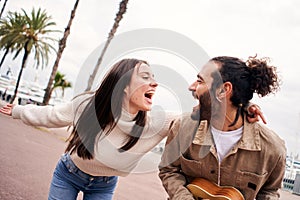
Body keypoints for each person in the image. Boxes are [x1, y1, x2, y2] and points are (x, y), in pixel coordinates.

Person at [0, 58, 264, 200]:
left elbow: (198, 115)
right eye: (146, 77)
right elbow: (52, 115)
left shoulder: (155, 122)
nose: (155, 83)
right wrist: (19, 111)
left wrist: (242, 110)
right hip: (69, 172)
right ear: (124, 85)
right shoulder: (88, 106)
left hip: (103, 186)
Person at [158, 56, 286, 200]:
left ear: (224, 90)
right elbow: (168, 169)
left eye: (200, 81)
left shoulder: (273, 148)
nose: (191, 87)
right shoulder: (182, 127)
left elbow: (270, 191)